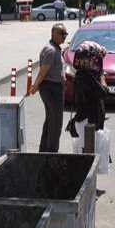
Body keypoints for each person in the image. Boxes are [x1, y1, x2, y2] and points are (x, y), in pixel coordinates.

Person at [30, 23, 68, 153]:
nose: (64, 36)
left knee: (51, 120)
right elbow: (43, 72)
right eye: (62, 33)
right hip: (51, 88)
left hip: (55, 87)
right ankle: (51, 153)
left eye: (66, 34)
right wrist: (35, 86)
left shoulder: (56, 48)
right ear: (53, 34)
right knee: (56, 122)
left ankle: (44, 152)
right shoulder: (50, 50)